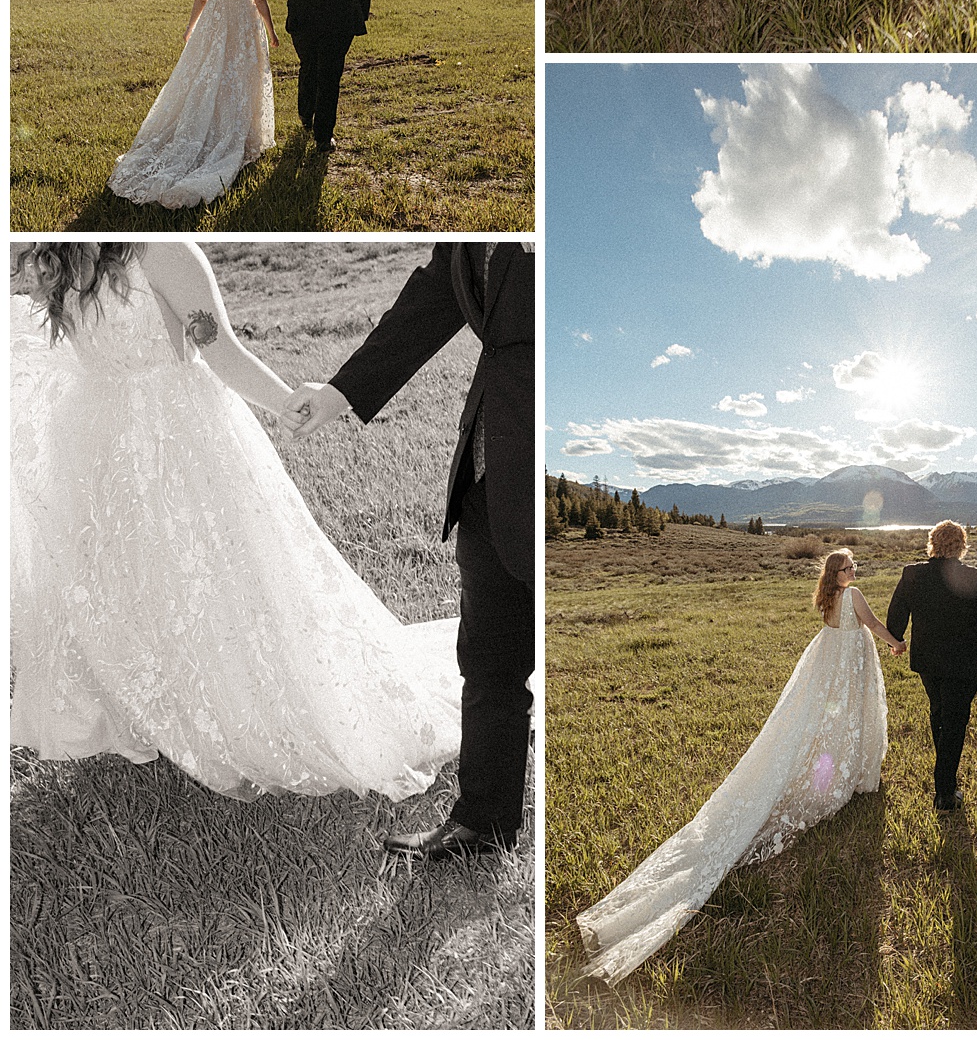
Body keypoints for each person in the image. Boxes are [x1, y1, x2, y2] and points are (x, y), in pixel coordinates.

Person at [10, 241, 461, 799]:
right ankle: (154, 707)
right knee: (129, 580)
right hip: (102, 443)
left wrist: (287, 403)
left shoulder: (159, 253)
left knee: (216, 578)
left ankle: (233, 709)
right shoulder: (51, 257)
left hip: (180, 437)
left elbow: (217, 348)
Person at [280, 240, 535, 864]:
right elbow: (435, 295)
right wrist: (342, 392)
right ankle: (484, 820)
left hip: (545, 462)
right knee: (489, 654)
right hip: (486, 463)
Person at [574, 549, 904, 985]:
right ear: (837, 573)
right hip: (845, 669)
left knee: (825, 725)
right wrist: (895, 642)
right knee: (840, 723)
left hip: (830, 667)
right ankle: (844, 775)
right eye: (848, 568)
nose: (853, 573)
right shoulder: (854, 595)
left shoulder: (826, 598)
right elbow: (873, 624)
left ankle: (836, 771)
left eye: (853, 568)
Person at [107, 0, 278, 209]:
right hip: (243, 28)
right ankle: (234, 130)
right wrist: (271, 31)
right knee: (239, 79)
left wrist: (191, 28)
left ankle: (220, 125)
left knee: (210, 76)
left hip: (214, 26)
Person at [886, 520, 977, 815]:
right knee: (954, 721)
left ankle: (945, 781)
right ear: (961, 546)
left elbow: (897, 611)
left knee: (939, 713)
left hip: (929, 660)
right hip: (965, 663)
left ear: (932, 543)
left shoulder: (912, 574)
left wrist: (896, 639)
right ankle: (945, 793)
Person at [269, 0, 371, 154]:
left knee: (308, 65)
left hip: (303, 18)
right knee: (330, 74)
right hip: (340, 19)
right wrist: (360, 11)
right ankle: (324, 137)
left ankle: (306, 115)